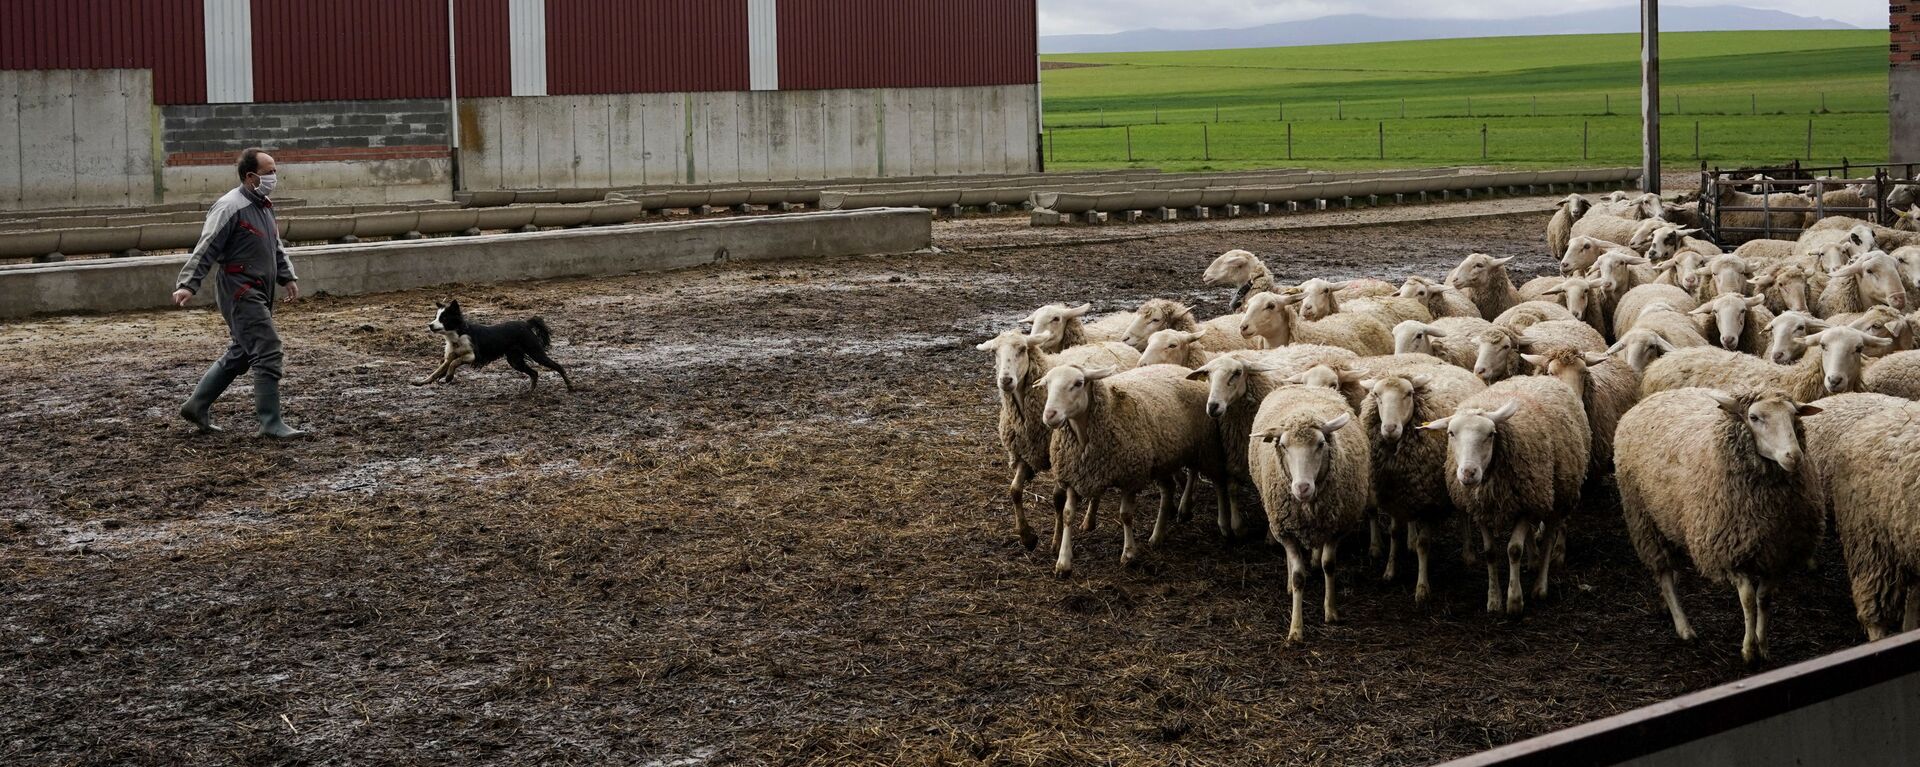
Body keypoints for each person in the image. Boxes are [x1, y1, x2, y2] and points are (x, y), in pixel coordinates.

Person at [171, 148, 306, 439]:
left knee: (244, 352)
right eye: (269, 172)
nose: (274, 177)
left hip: (259, 287)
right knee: (267, 349)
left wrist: (287, 276)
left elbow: (274, 245)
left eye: (275, 171)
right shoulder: (230, 206)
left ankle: (196, 405)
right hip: (240, 290)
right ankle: (270, 422)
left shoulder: (263, 205)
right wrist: (188, 283)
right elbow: (206, 247)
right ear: (251, 176)